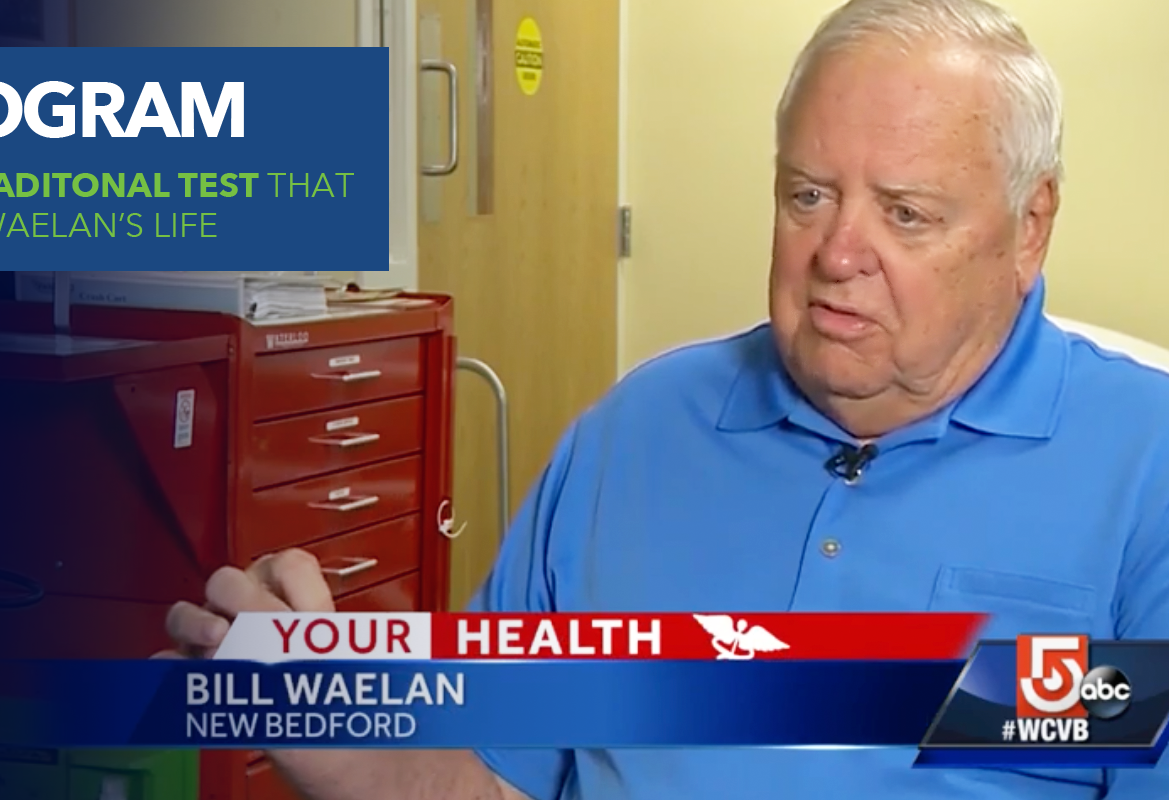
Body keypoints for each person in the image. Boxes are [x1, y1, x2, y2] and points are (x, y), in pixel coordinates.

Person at [161, 0, 1169, 796]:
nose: (837, 254)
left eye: (905, 213)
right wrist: (351, 755)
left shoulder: (1144, 469)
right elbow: (499, 779)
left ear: (1030, 227)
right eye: (807, 195)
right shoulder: (633, 434)